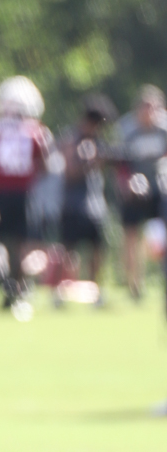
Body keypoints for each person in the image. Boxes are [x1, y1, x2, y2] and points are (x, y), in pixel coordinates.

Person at [0, 76, 52, 310]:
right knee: (23, 244)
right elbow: (46, 165)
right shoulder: (37, 132)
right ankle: (18, 285)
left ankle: (5, 281)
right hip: (24, 194)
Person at [58, 93, 116, 303]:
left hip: (95, 205)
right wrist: (88, 162)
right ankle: (63, 291)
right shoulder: (71, 138)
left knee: (97, 250)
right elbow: (69, 173)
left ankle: (95, 291)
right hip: (73, 205)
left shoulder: (99, 141)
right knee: (69, 250)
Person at [114, 85, 167, 301]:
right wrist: (127, 183)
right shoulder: (127, 129)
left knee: (159, 236)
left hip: (159, 189)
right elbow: (120, 162)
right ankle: (134, 283)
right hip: (133, 189)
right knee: (131, 236)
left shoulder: (163, 128)